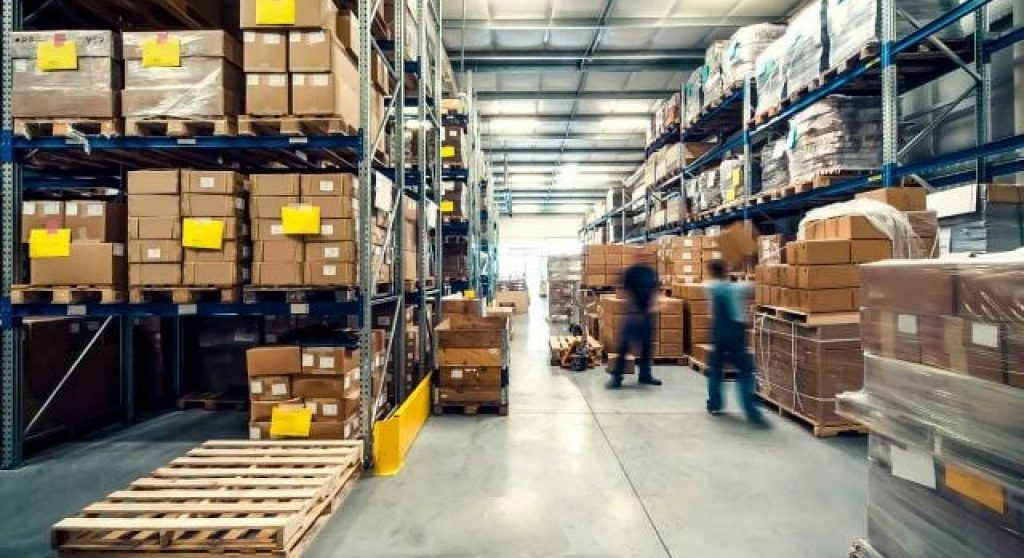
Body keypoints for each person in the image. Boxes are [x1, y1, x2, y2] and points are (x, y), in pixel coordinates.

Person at [705, 259, 764, 424]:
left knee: (715, 369)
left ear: (711, 272)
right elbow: (753, 286)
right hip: (735, 333)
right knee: (745, 371)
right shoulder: (737, 288)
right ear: (725, 271)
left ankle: (715, 405)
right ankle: (750, 410)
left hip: (717, 333)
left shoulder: (709, 288)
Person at [607, 262, 662, 389]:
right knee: (624, 346)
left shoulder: (651, 272)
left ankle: (645, 375)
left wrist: (655, 304)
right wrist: (633, 310)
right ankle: (616, 377)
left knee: (647, 347)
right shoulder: (631, 272)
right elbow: (625, 291)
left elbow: (655, 291)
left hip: (648, 315)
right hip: (633, 315)